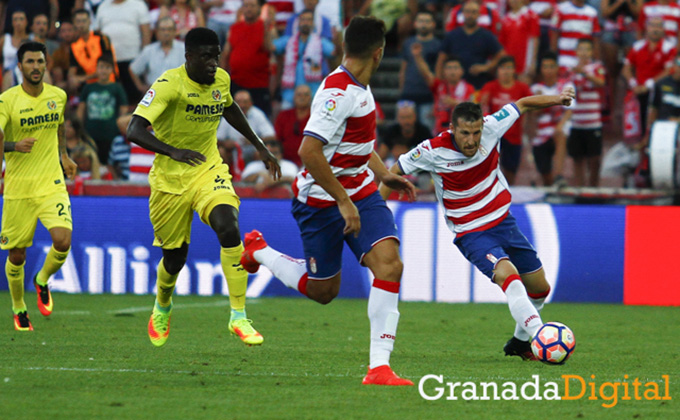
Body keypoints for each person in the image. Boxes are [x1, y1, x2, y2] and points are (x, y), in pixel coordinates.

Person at [240, 16, 417, 386]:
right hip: (320, 201)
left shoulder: (361, 88)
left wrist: (382, 174)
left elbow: (356, 143)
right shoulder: (338, 93)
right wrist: (343, 202)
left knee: (390, 267)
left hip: (362, 192)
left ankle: (379, 368)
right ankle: (258, 250)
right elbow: (309, 151)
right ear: (379, 54)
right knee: (324, 291)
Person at [379, 88, 576, 361]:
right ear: (452, 129)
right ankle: (541, 336)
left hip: (504, 223)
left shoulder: (493, 127)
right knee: (508, 274)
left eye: (476, 133)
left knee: (540, 289)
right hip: (471, 232)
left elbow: (522, 103)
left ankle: (520, 342)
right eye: (464, 134)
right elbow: (393, 171)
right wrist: (377, 215)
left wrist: (558, 98)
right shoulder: (432, 150)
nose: (471, 141)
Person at [126, 27, 281, 348]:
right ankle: (162, 304)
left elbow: (229, 107)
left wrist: (260, 146)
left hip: (208, 169)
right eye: (207, 57)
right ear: (190, 57)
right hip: (170, 179)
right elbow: (134, 129)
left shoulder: (221, 80)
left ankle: (238, 315)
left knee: (228, 227)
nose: (214, 63)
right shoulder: (170, 84)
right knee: (174, 259)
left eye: (217, 56)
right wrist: (173, 151)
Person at [0, 41, 77, 331]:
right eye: (30, 62)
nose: (36, 67)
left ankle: (42, 279)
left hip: (50, 182)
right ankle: (19, 308)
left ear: (46, 65)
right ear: (19, 66)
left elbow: (59, 124)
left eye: (40, 61)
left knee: (63, 240)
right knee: (16, 255)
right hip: (18, 186)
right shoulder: (7, 100)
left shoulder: (58, 95)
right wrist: (12, 146)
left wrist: (64, 155)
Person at [479, 56, 532, 185]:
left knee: (511, 169)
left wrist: (530, 127)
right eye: (503, 68)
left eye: (509, 68)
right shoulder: (490, 87)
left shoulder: (522, 88)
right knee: (488, 168)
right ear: (497, 71)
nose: (506, 71)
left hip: (514, 135)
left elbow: (532, 107)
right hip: (493, 135)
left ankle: (509, 193)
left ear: (514, 71)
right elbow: (482, 108)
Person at [622, 17, 676, 140]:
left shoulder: (669, 48)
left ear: (663, 29)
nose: (655, 30)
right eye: (652, 26)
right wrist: (633, 83)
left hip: (658, 93)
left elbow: (669, 71)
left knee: (654, 126)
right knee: (636, 127)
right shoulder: (637, 46)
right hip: (638, 91)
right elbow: (626, 68)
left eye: (658, 26)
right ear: (646, 28)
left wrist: (649, 84)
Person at [221, 0, 276, 117]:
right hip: (237, 82)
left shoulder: (268, 29)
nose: (249, 9)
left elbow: (272, 52)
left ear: (260, 9)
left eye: (252, 6)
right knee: (235, 120)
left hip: (259, 84)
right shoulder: (234, 28)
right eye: (246, 6)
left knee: (261, 119)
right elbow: (225, 54)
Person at [272, 8, 335, 109]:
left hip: (313, 94)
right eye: (303, 20)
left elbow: (334, 52)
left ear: (313, 23)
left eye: (309, 20)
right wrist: (267, 28)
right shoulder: (288, 41)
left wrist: (337, 37)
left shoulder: (320, 41)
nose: (305, 22)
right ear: (298, 23)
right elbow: (271, 48)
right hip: (290, 94)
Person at [436, 0, 505, 90]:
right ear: (463, 13)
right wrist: (439, 81)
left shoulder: (486, 35)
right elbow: (441, 58)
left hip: (478, 84)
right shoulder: (452, 35)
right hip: (454, 86)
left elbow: (501, 55)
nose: (470, 15)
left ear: (478, 14)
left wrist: (486, 67)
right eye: (467, 11)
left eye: (474, 12)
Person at [528, 52, 573, 186]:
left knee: (560, 134)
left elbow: (569, 110)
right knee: (545, 173)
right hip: (541, 132)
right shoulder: (536, 89)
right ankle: (551, 185)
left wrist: (560, 126)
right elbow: (532, 114)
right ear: (541, 69)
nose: (548, 70)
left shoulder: (565, 87)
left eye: (551, 66)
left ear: (557, 68)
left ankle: (559, 176)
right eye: (545, 67)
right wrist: (539, 101)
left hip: (559, 129)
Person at [94, 0, 151, 104]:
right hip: (109, 61)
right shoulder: (103, 6)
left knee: (134, 97)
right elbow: (97, 34)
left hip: (133, 59)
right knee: (112, 98)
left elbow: (146, 32)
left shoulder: (138, 4)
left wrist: (144, 57)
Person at [410, 44, 475, 135]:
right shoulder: (439, 86)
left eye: (455, 68)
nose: (452, 71)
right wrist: (418, 56)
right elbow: (426, 74)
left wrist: (455, 103)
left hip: (461, 132)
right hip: (439, 132)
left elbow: (474, 108)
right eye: (449, 68)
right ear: (444, 71)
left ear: (462, 71)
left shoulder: (469, 88)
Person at [568, 38, 606, 187]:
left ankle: (594, 188)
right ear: (576, 52)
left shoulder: (597, 67)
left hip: (593, 121)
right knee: (577, 158)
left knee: (595, 158)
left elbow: (601, 82)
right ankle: (580, 188)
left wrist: (585, 73)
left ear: (592, 52)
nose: (584, 53)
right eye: (581, 49)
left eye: (587, 49)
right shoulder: (570, 70)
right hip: (576, 121)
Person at [77, 54, 128, 165]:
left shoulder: (117, 88)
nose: (104, 71)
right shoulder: (88, 87)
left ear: (112, 70)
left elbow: (123, 110)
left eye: (107, 67)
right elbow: (81, 110)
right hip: (90, 133)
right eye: (101, 67)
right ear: (96, 69)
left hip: (111, 134)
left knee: (108, 164)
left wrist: (119, 130)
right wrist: (79, 130)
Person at [399, 10, 440, 132]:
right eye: (421, 21)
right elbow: (403, 68)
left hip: (428, 95)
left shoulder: (438, 45)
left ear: (433, 24)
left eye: (427, 21)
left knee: (427, 131)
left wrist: (437, 98)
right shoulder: (408, 43)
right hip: (408, 92)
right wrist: (401, 91)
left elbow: (438, 73)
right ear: (415, 23)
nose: (424, 24)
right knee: (404, 130)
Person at [129, 17, 185, 95]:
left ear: (175, 31)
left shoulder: (184, 50)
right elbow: (133, 69)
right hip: (154, 95)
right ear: (157, 32)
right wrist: (141, 87)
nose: (166, 33)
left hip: (178, 94)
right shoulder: (149, 50)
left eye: (169, 29)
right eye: (163, 30)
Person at [68, 8, 118, 93]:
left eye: (84, 21)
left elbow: (107, 65)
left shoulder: (101, 38)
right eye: (78, 21)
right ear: (74, 24)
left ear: (90, 21)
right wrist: (72, 79)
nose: (81, 24)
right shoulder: (74, 46)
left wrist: (83, 78)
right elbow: (72, 67)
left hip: (108, 82)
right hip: (89, 85)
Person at [378, 100, 432, 166]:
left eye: (409, 117)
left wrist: (408, 154)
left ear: (415, 117)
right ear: (397, 118)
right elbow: (381, 156)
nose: (406, 121)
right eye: (402, 118)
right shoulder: (391, 131)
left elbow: (431, 156)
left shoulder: (424, 132)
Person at [550, 0, 601, 71]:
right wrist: (553, 60)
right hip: (564, 60)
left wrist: (597, 62)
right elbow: (554, 37)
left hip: (585, 63)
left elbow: (596, 40)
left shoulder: (592, 13)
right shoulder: (560, 9)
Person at [499, 0, 540, 83]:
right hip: (510, 62)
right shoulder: (505, 19)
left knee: (524, 87)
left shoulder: (531, 15)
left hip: (525, 62)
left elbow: (535, 39)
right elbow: (502, 43)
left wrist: (533, 63)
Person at [274, 83, 311, 166]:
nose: (302, 97)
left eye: (306, 95)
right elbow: (277, 140)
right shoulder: (283, 115)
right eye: (299, 95)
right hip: (285, 162)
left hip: (310, 162)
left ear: (310, 98)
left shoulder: (316, 116)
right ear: (294, 97)